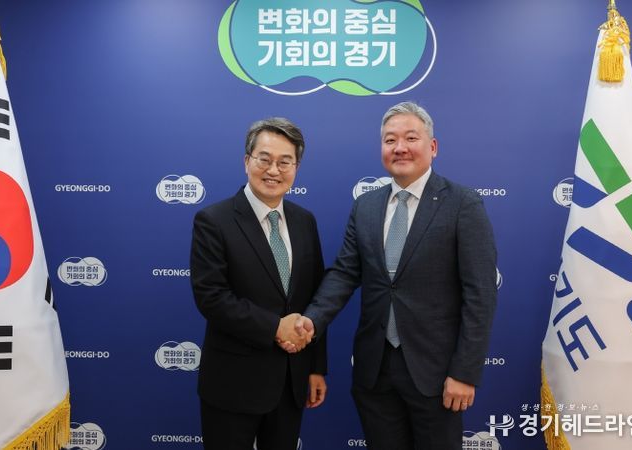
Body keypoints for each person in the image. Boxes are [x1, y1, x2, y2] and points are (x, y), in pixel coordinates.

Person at [294, 102, 497, 449]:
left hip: (436, 374)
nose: (399, 147)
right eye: (390, 140)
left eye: (411, 138)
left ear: (433, 147)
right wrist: (311, 320)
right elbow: (345, 273)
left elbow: (481, 295)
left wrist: (464, 372)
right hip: (375, 371)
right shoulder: (366, 206)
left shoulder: (463, 204)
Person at [190, 117, 327, 450]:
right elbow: (212, 298)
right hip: (233, 383)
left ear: (296, 168)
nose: (274, 170)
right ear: (246, 161)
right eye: (264, 159)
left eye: (285, 162)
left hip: (291, 382)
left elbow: (315, 297)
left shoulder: (305, 221)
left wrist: (315, 368)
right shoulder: (213, 221)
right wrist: (275, 327)